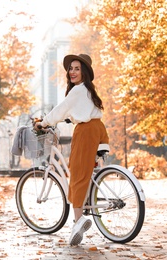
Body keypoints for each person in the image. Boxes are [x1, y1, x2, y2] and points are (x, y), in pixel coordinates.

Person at [34, 54, 109, 246]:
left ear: (84, 72)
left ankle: (78, 221)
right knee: (85, 172)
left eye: (77, 68)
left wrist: (43, 123)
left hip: (86, 132)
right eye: (71, 68)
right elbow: (74, 111)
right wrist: (70, 117)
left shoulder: (77, 90)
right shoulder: (88, 91)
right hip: (98, 129)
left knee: (77, 174)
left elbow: (60, 109)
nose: (72, 72)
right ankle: (78, 220)